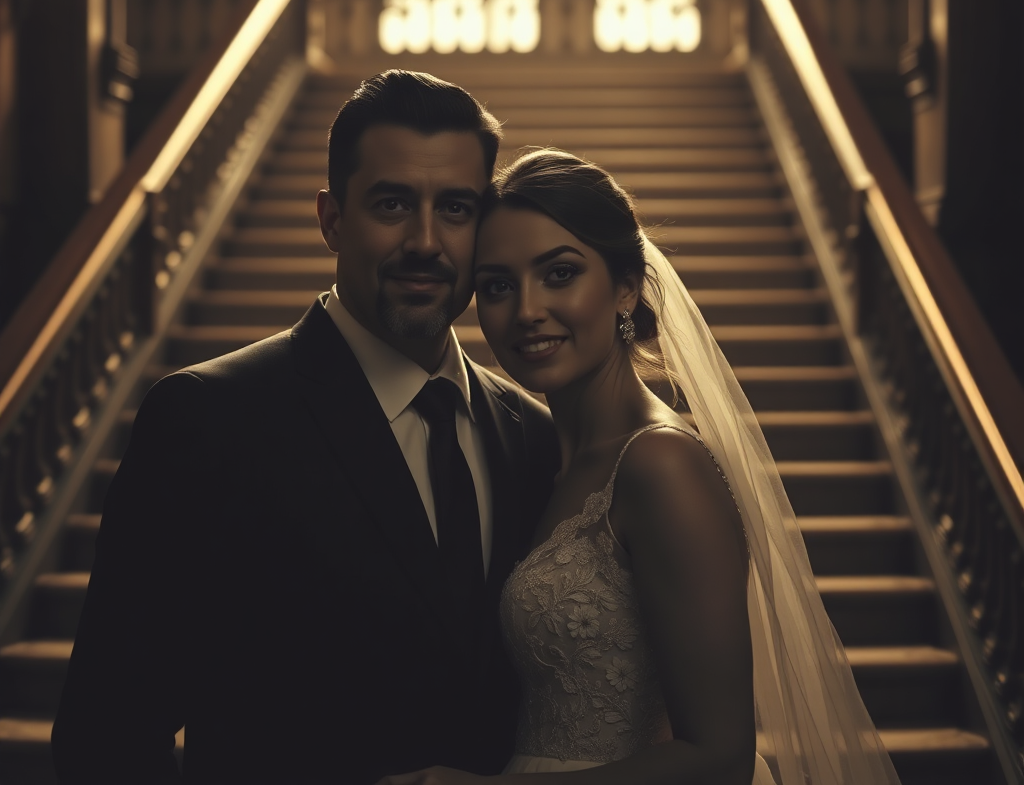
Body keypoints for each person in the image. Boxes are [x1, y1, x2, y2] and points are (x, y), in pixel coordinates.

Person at [51, 71, 560, 784]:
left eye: (455, 208)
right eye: (391, 204)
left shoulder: (532, 433)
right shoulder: (207, 418)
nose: (426, 241)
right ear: (331, 219)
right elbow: (107, 734)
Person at [377, 150, 901, 785]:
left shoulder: (661, 464)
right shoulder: (541, 453)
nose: (527, 310)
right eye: (498, 286)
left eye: (560, 273)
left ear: (626, 287)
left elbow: (720, 758)